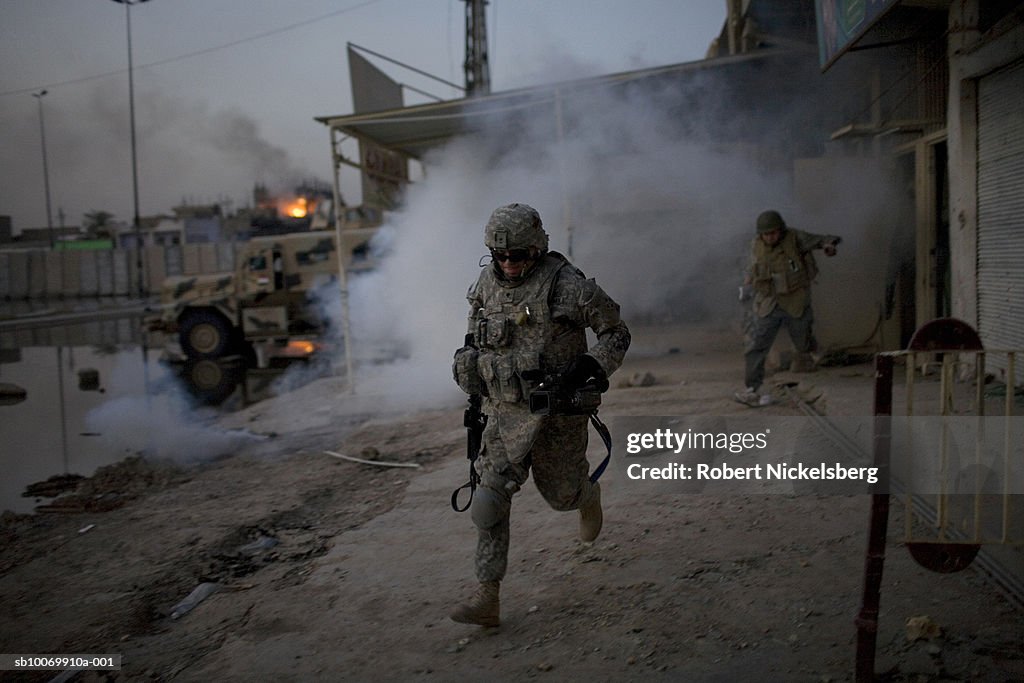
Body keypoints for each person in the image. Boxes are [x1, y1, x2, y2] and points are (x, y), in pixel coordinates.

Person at [450, 203, 631, 627]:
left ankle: (587, 498)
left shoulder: (568, 286)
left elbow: (616, 332)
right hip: (504, 414)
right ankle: (487, 597)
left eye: (520, 255)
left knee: (561, 496)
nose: (510, 264)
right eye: (501, 256)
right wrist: (470, 367)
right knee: (488, 502)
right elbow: (476, 339)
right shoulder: (484, 285)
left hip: (557, 416)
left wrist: (593, 365)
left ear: (537, 248)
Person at [735, 210, 841, 407]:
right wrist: (747, 286)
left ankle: (815, 352)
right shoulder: (756, 245)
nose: (770, 237)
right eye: (766, 234)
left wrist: (829, 246)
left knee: (803, 343)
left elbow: (822, 240)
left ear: (781, 230)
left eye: (774, 233)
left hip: (795, 301)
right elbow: (752, 268)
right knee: (757, 346)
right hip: (769, 302)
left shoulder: (795, 238)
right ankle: (752, 388)